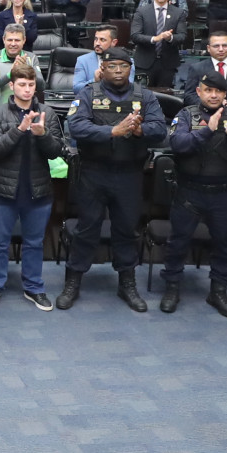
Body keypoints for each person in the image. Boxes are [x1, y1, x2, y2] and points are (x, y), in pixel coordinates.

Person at [59, 47, 165, 311]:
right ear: (102, 69)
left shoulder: (145, 96)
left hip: (129, 174)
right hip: (93, 172)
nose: (118, 71)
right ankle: (73, 281)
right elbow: (76, 126)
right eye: (112, 66)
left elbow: (161, 129)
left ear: (131, 69)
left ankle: (127, 283)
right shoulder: (88, 94)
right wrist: (112, 131)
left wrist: (140, 130)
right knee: (86, 228)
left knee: (126, 229)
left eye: (124, 66)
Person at [161, 74, 227, 317]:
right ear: (199, 91)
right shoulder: (186, 115)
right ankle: (172, 287)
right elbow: (178, 144)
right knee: (178, 243)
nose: (213, 95)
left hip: (224, 193)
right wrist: (207, 131)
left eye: (219, 91)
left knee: (225, 244)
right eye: (208, 90)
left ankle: (218, 290)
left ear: (225, 95)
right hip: (189, 191)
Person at [0, 61, 61, 311]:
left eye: (31, 84)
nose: (27, 89)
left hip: (38, 190)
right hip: (3, 190)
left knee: (35, 242)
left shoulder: (49, 113)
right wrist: (20, 129)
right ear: (12, 86)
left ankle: (34, 287)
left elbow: (57, 150)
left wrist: (42, 134)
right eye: (22, 85)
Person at [132, 0, 186, 88]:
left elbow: (182, 36)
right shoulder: (141, 12)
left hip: (168, 64)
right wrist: (154, 39)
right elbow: (135, 35)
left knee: (166, 99)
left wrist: (170, 38)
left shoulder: (178, 13)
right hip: (144, 63)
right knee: (142, 98)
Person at [175, 30, 227, 102]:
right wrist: (210, 105)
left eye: (225, 45)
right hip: (205, 114)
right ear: (208, 48)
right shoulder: (197, 68)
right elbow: (189, 96)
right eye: (216, 46)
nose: (221, 49)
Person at [71, 24, 119, 92]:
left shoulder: (125, 62)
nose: (97, 43)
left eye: (102, 40)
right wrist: (95, 81)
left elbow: (129, 88)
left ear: (114, 42)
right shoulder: (83, 60)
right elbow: (76, 89)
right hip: (91, 100)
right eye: (96, 39)